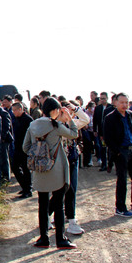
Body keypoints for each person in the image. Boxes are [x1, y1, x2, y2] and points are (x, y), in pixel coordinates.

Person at [23, 97, 78, 249]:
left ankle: (43, 239)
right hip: (57, 169)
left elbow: (25, 147)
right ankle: (60, 239)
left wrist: (39, 154)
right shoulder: (56, 126)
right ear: (54, 111)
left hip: (40, 169)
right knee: (58, 205)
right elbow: (74, 134)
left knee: (42, 204)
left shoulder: (32, 125)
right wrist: (69, 119)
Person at [104, 93, 132, 217]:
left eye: (126, 102)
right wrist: (117, 151)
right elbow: (107, 138)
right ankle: (120, 207)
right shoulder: (110, 118)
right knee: (122, 180)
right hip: (121, 152)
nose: (124, 105)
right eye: (121, 102)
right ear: (115, 103)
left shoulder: (130, 114)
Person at [60, 100, 90, 234]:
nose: (68, 112)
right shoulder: (58, 125)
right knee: (59, 191)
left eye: (69, 110)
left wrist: (75, 108)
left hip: (73, 159)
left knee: (72, 189)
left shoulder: (74, 124)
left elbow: (86, 119)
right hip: (60, 161)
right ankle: (51, 215)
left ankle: (71, 220)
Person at [11, 102, 33, 198]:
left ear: (20, 109)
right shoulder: (15, 119)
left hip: (26, 149)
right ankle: (24, 187)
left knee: (26, 169)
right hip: (17, 147)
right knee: (15, 168)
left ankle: (28, 190)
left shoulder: (28, 120)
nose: (13, 112)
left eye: (14, 110)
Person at [93, 92, 109, 171]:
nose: (102, 100)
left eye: (104, 98)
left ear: (107, 98)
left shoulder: (111, 107)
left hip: (111, 132)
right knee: (103, 148)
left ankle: (110, 164)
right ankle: (104, 165)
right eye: (101, 98)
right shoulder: (98, 108)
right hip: (102, 132)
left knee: (110, 150)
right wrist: (95, 130)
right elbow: (95, 120)